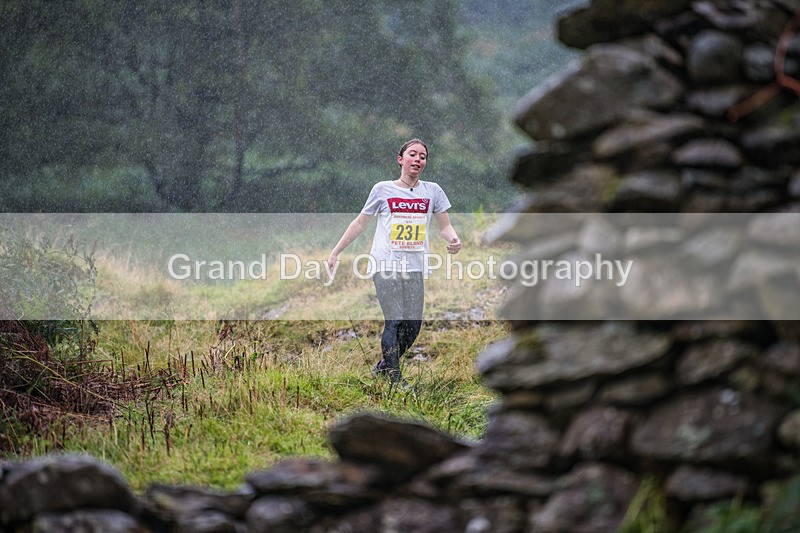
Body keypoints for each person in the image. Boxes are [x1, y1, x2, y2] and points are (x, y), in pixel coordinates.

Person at [328, 139, 461, 384]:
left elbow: (445, 226)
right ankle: (395, 379)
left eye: (423, 156)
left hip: (414, 266)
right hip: (385, 263)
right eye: (413, 154)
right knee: (395, 320)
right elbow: (360, 222)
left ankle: (382, 368)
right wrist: (336, 251)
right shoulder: (382, 189)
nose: (418, 159)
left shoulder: (433, 191)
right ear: (401, 159)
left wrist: (454, 239)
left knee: (413, 326)